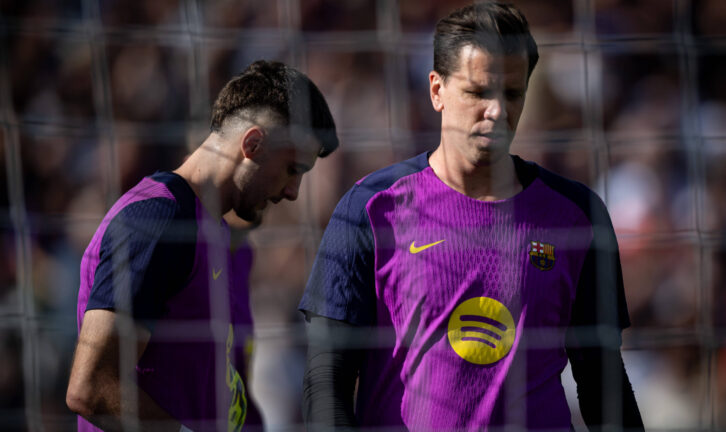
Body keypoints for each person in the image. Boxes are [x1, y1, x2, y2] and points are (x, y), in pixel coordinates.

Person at [299, 2, 644, 431]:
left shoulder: (577, 216)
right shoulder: (370, 207)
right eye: (479, 92)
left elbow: (603, 381)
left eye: (512, 94)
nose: (497, 111)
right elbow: (325, 382)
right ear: (436, 90)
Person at [66, 60, 339, 431]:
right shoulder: (158, 219)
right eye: (293, 170)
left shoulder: (215, 232)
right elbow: (91, 388)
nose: (293, 192)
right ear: (253, 143)